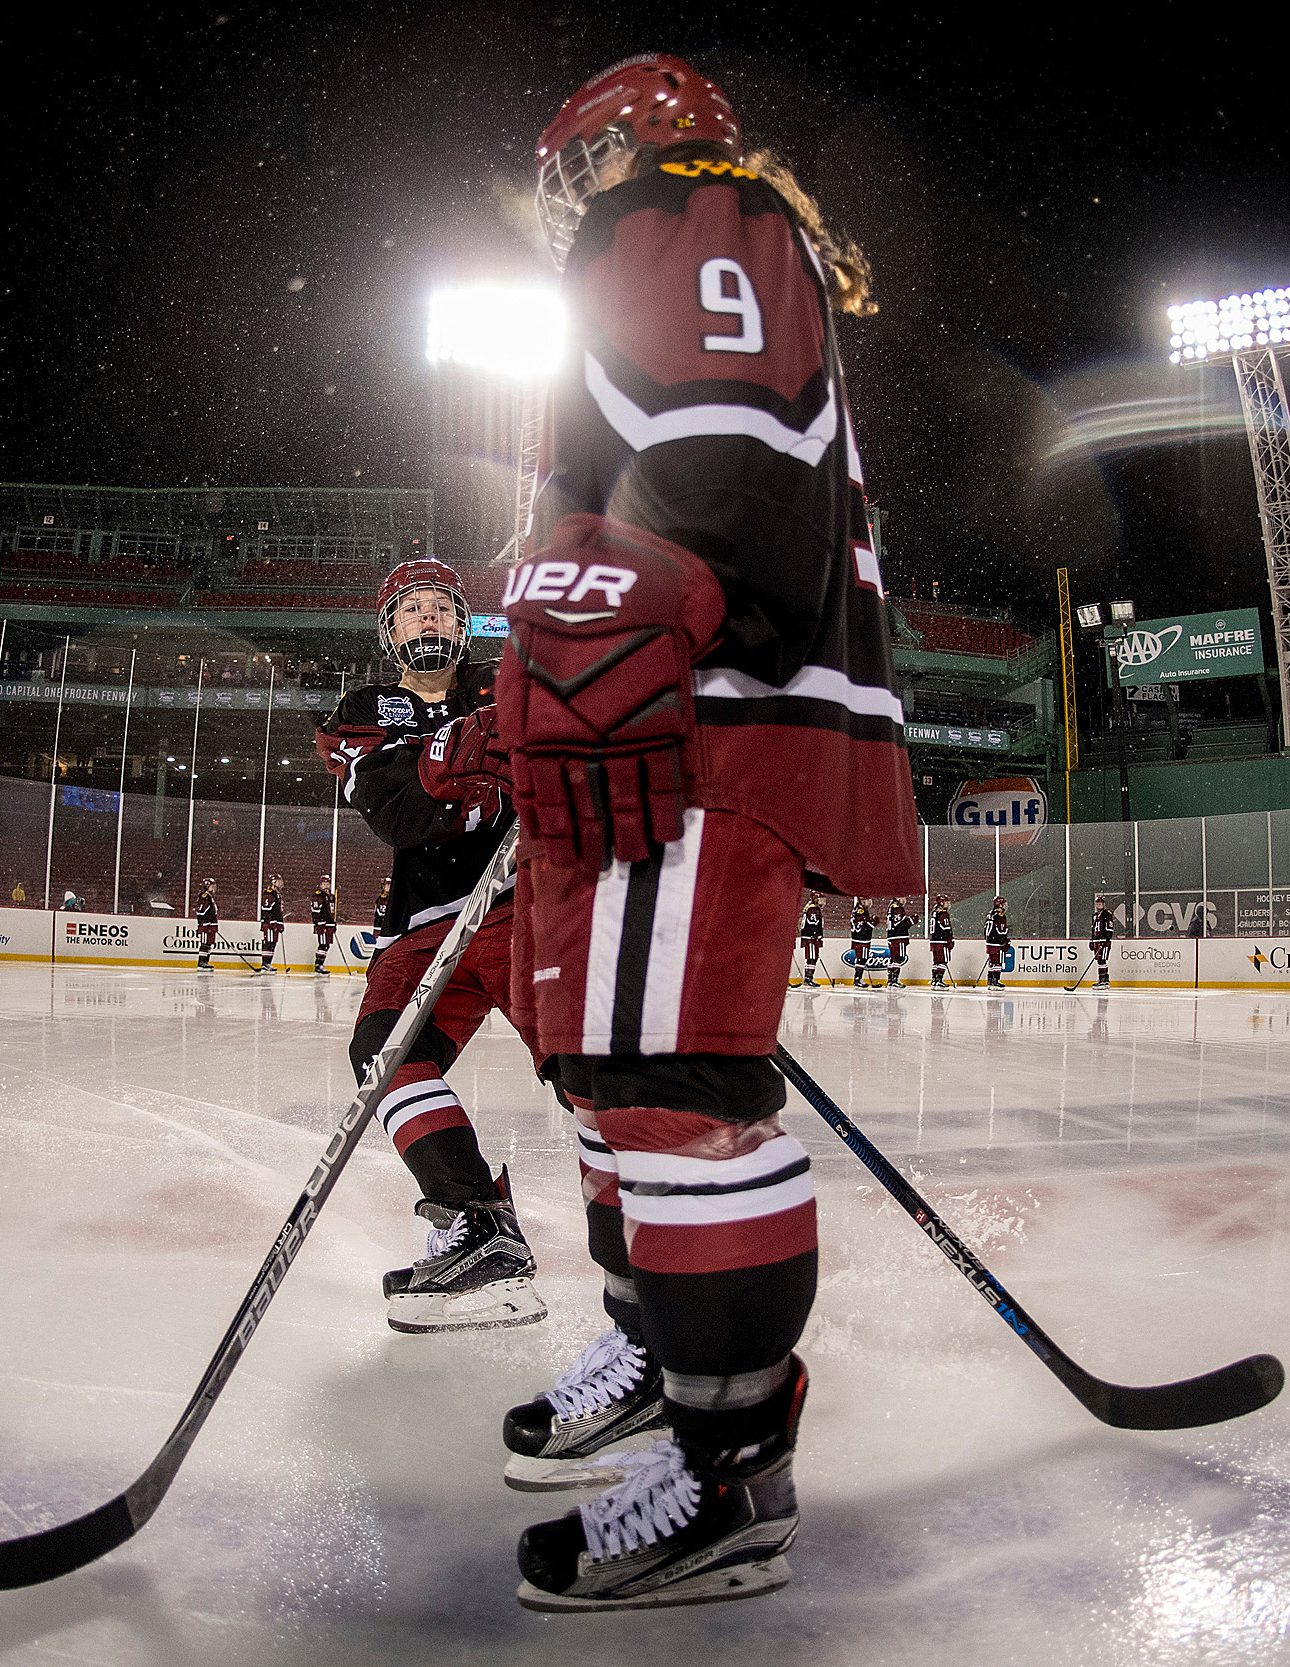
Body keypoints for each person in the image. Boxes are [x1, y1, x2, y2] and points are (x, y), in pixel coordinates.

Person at [498, 52, 920, 1611]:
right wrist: (541, 673)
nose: (564, 194)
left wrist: (625, 635)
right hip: (675, 709)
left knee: (675, 1095)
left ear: (630, 142)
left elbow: (724, 456)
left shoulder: (694, 218)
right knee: (615, 1081)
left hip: (701, 721)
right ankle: (663, 1352)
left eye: (575, 161)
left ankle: (731, 1478)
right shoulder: (697, 231)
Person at [314, 558, 557, 1337]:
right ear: (391, 631)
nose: (428, 619)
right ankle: (478, 1224)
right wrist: (471, 763)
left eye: (441, 608)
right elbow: (398, 813)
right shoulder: (358, 709)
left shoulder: (507, 680)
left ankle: (664, 1240)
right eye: (412, 609)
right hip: (425, 926)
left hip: (526, 905)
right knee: (383, 1055)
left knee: (587, 1065)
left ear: (464, 622)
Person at [1089, 893, 1119, 989]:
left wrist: (1105, 940)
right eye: (1097, 904)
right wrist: (1092, 940)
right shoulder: (1095, 916)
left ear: (1104, 904)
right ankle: (1104, 980)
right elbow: (1093, 929)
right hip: (1097, 941)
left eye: (1100, 903)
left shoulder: (1107, 915)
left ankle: (1103, 980)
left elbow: (1110, 929)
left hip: (1103, 941)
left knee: (1102, 960)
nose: (1099, 905)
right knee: (1099, 960)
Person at [795, 894, 824, 988]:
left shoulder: (812, 909)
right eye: (820, 900)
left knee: (812, 958)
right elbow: (812, 924)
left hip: (811, 938)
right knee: (812, 958)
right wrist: (815, 935)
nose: (822, 902)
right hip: (811, 938)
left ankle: (809, 977)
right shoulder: (813, 910)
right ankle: (809, 978)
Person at [885, 897, 913, 989]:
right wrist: (910, 922)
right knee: (898, 958)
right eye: (902, 897)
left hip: (892, 936)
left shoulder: (891, 907)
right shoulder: (897, 908)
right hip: (898, 936)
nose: (904, 900)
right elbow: (899, 924)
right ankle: (894, 980)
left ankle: (891, 980)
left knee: (893, 958)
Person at [309, 876, 336, 976]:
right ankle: (318, 965)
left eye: (327, 883)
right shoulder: (318, 896)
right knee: (323, 944)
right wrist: (319, 921)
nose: (326, 885)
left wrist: (332, 922)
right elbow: (315, 911)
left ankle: (320, 964)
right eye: (324, 883)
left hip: (328, 924)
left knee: (327, 944)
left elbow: (331, 911)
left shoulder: (331, 896)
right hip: (322, 924)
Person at [257, 876, 285, 970]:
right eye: (278, 881)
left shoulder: (277, 894)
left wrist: (280, 923)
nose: (280, 883)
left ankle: (267, 963)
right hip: (269, 923)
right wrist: (270, 920)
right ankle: (265, 963)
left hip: (274, 923)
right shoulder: (269, 893)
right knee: (269, 942)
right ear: (273, 882)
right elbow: (266, 908)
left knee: (273, 942)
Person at [984, 895, 1012, 989]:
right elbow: (1000, 931)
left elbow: (987, 931)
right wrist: (1004, 941)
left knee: (993, 963)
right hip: (996, 943)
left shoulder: (990, 914)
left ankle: (990, 981)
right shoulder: (999, 916)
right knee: (997, 963)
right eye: (1003, 904)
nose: (1004, 906)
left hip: (990, 943)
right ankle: (994, 981)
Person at [847, 898, 876, 987]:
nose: (869, 903)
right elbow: (864, 926)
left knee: (862, 959)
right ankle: (858, 979)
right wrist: (873, 922)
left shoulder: (858, 911)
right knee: (861, 959)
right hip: (861, 940)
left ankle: (858, 978)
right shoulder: (860, 912)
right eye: (867, 901)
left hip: (859, 939)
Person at [928, 894, 954, 988]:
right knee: (942, 961)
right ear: (942, 903)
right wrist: (949, 939)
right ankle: (939, 980)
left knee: (936, 961)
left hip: (934, 941)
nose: (948, 904)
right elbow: (946, 928)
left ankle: (934, 980)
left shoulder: (934, 913)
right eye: (946, 902)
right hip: (941, 941)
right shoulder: (943, 914)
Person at [194, 878, 221, 971]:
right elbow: (201, 911)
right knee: (204, 943)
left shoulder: (209, 897)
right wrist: (205, 922)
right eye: (212, 886)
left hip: (211, 926)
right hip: (206, 925)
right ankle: (201, 962)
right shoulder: (204, 897)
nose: (214, 888)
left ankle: (205, 962)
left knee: (209, 944)